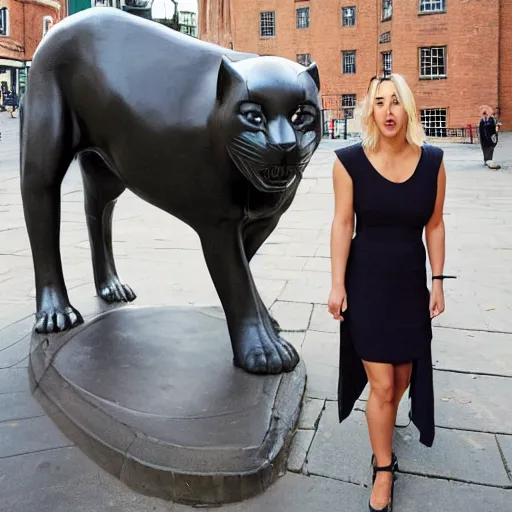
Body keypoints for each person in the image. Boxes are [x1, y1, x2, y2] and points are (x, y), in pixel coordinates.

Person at [328, 74, 449, 512]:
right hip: (367, 285)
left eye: (396, 101)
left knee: (401, 378)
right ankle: (383, 467)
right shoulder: (348, 163)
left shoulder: (433, 162)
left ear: (408, 108)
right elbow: (343, 225)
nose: (389, 111)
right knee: (382, 385)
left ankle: (385, 421)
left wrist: (437, 281)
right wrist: (337, 284)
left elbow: (434, 224)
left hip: (409, 287)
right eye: (380, 102)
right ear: (371, 111)